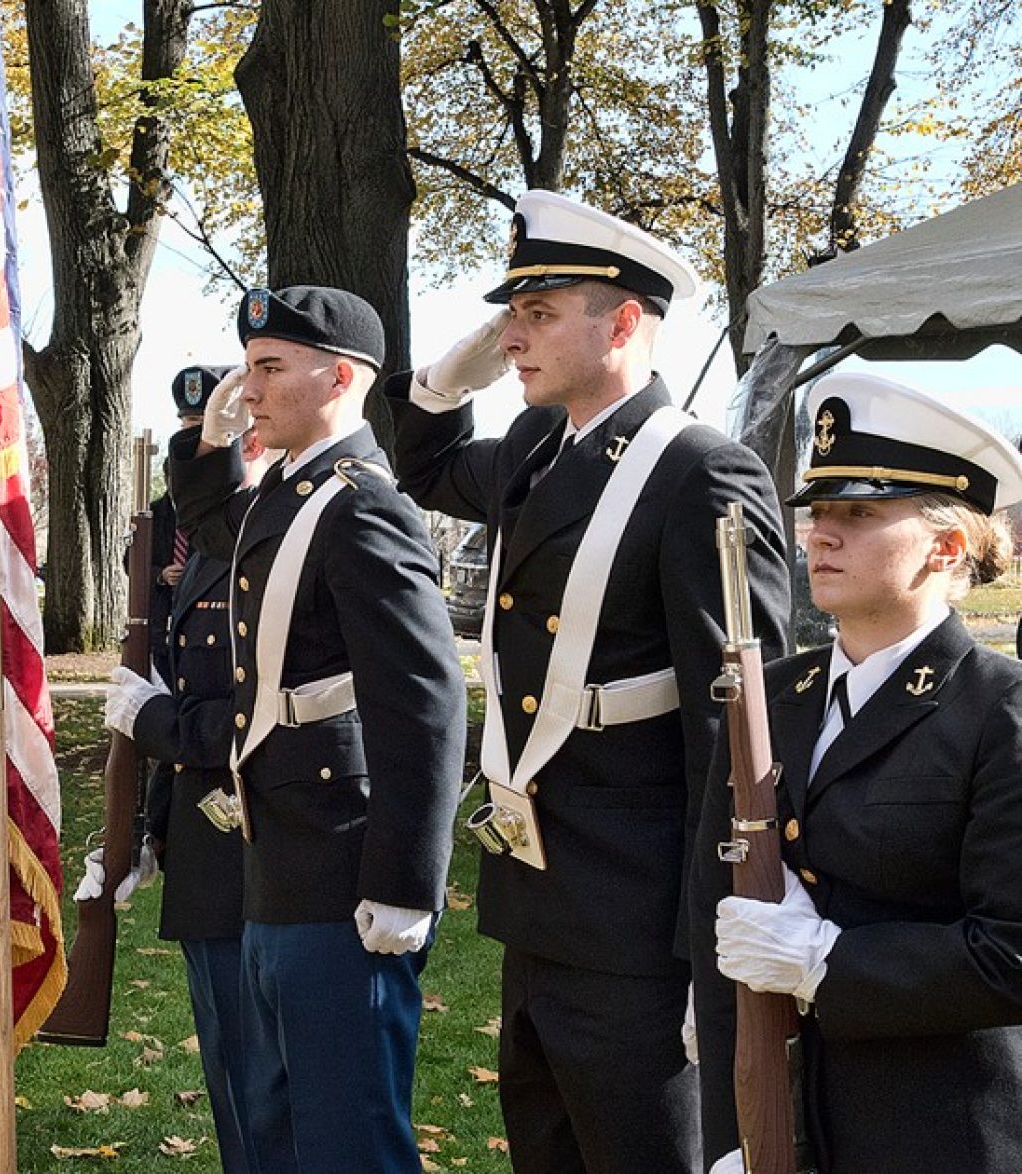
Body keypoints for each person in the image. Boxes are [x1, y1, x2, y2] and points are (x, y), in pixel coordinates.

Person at [384, 190, 790, 1174]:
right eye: (509, 316)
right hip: (539, 903)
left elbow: (737, 747)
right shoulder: (535, 446)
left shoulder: (701, 472)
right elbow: (425, 464)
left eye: (539, 312)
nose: (513, 337)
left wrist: (719, 974)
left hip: (640, 924)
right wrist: (447, 376)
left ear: (621, 323)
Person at [166, 284, 466, 1172]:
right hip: (282, 857)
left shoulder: (364, 503)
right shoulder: (291, 492)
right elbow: (216, 523)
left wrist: (409, 883)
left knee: (347, 1135)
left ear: (339, 377)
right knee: (279, 1126)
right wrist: (212, 439)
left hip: (343, 869)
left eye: (267, 369)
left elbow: (423, 699)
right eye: (247, 370)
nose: (248, 388)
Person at [692, 373, 1022, 1174]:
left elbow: (1012, 953)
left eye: (861, 514)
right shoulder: (774, 693)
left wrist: (824, 960)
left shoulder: (998, 711)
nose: (820, 536)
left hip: (939, 1128)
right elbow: (717, 909)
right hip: (787, 1110)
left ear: (946, 547)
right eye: (819, 512)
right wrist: (729, 1125)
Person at [98, 422, 278, 1174]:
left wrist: (155, 721)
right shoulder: (205, 546)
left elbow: (261, 712)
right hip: (205, 850)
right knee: (234, 1082)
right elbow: (191, 684)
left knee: (282, 1085)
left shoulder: (290, 535)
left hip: (277, 835)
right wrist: (148, 832)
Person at [149, 366, 234, 680]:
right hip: (168, 628)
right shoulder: (158, 513)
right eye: (185, 422)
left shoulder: (241, 504)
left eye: (198, 423)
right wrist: (161, 575)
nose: (189, 434)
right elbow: (134, 560)